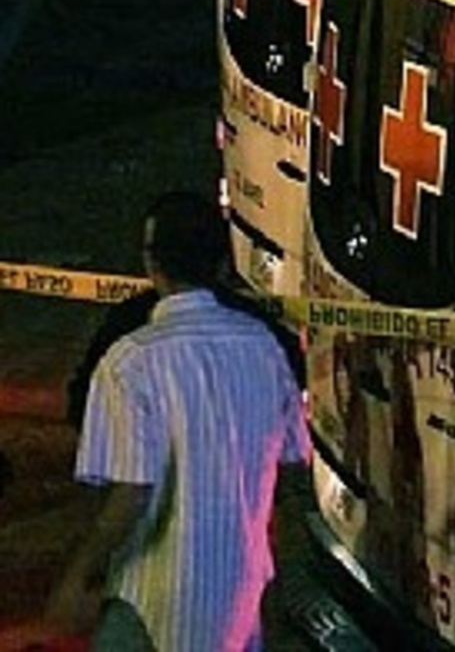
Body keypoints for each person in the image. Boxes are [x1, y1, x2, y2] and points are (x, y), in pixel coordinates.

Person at [45, 190, 310, 651]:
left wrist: (80, 572)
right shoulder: (265, 347)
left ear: (152, 263)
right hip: (239, 593)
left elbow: (130, 491)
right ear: (222, 263)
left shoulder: (131, 360)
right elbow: (291, 466)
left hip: (151, 596)